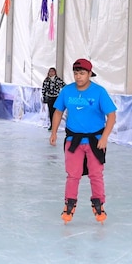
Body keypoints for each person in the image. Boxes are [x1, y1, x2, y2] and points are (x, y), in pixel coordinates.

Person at [50, 58, 117, 224]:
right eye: (75, 73)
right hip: (74, 140)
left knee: (96, 174)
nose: (78, 77)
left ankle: (98, 203)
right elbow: (58, 111)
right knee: (73, 174)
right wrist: (54, 132)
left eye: (82, 73)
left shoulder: (99, 92)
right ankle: (69, 204)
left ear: (89, 74)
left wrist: (105, 136)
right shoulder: (67, 91)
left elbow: (112, 115)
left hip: (95, 140)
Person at [42, 67, 65, 131]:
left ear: (55, 72)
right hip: (49, 97)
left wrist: (62, 95)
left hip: (56, 97)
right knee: (51, 112)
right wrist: (44, 97)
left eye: (52, 71)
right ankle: (52, 125)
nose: (51, 73)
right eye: (50, 71)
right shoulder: (46, 80)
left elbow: (64, 86)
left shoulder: (58, 80)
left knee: (56, 112)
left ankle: (56, 125)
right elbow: (43, 89)